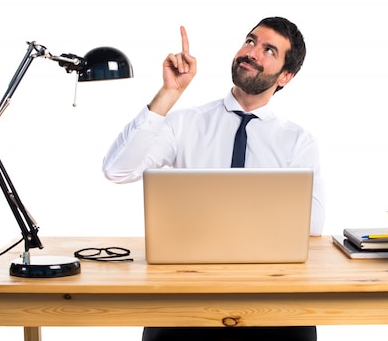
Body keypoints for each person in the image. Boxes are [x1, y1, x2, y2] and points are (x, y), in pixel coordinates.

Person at [102, 17, 326, 341]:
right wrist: (169, 93)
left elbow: (313, 223)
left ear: (286, 76)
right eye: (250, 41)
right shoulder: (185, 123)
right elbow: (117, 169)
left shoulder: (297, 141)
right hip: (186, 296)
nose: (252, 53)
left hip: (272, 299)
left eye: (268, 50)